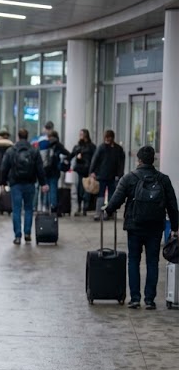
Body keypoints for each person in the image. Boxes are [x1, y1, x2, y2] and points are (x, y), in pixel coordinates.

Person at [102, 146, 179, 310]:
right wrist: (175, 226)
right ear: (154, 160)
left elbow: (116, 200)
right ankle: (150, 300)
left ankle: (135, 298)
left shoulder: (129, 178)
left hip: (134, 225)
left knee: (134, 261)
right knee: (152, 262)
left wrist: (107, 211)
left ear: (139, 160)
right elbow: (172, 205)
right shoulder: (163, 179)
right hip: (155, 226)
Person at [1, 128, 49, 245]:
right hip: (30, 183)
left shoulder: (11, 150)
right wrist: (43, 183)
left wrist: (2, 182)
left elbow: (4, 167)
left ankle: (17, 236)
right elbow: (40, 169)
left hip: (15, 184)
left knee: (16, 209)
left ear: (18, 137)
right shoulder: (34, 151)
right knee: (28, 209)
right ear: (27, 137)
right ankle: (27, 233)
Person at [90, 129, 126, 221]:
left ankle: (102, 213)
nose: (107, 139)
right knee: (109, 195)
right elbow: (121, 163)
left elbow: (95, 160)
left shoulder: (103, 147)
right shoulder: (117, 149)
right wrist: (120, 174)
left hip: (105, 175)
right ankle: (107, 212)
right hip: (109, 176)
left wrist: (92, 171)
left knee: (103, 195)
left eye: (108, 137)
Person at [69, 128, 97, 216]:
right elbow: (71, 155)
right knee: (79, 188)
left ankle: (85, 207)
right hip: (80, 170)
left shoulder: (91, 146)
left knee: (87, 189)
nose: (80, 135)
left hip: (88, 170)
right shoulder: (78, 146)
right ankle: (80, 207)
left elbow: (95, 158)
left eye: (82, 134)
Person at [39, 130, 69, 213]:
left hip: (45, 170)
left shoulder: (44, 144)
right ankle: (53, 207)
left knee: (46, 189)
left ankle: (45, 207)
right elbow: (68, 154)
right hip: (54, 171)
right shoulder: (58, 145)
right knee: (53, 189)